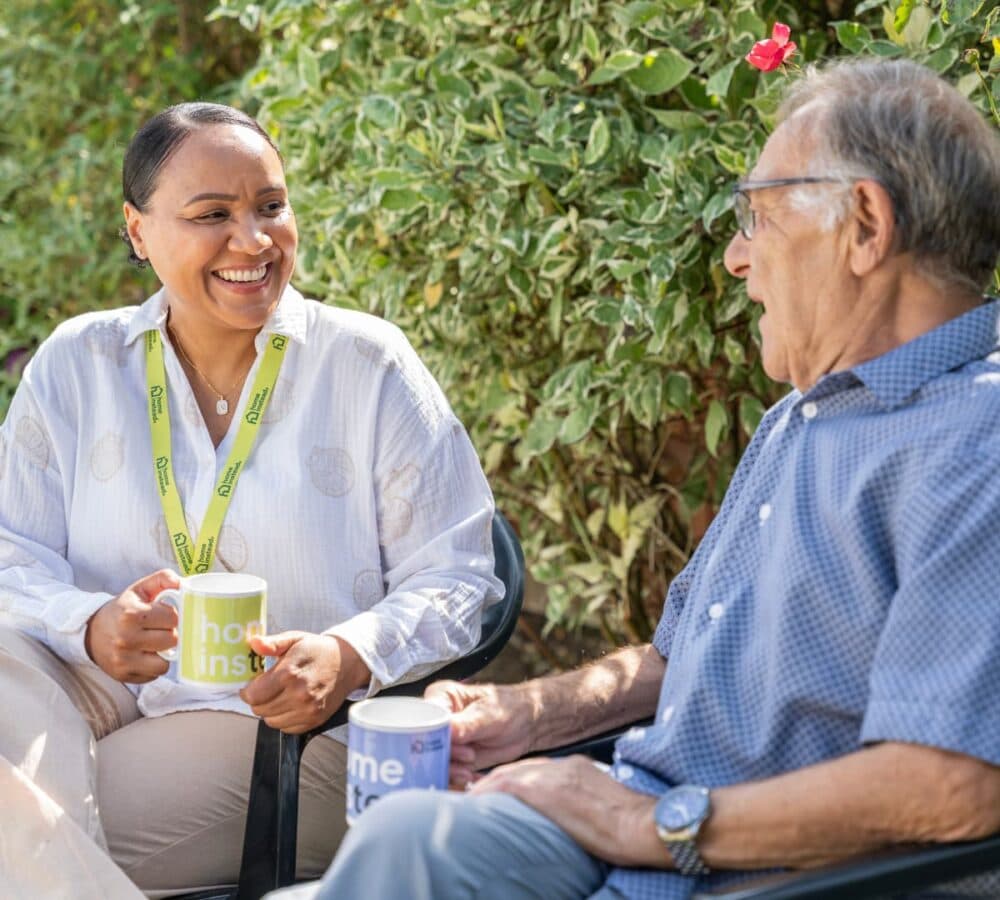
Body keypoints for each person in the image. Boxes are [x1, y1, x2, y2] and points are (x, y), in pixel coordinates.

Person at [287, 57, 1000, 900]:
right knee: (380, 853)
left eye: (758, 216)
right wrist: (533, 713)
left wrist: (644, 826)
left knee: (401, 844)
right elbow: (682, 657)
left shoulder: (973, 444)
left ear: (866, 226)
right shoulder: (801, 420)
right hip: (632, 833)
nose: (738, 257)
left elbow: (953, 786)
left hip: (769, 876)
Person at [0, 102, 502, 897]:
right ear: (138, 231)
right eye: (213, 215)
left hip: (271, 725)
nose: (255, 240)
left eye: (271, 206)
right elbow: (8, 556)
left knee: (21, 839)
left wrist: (349, 654)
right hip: (87, 691)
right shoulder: (76, 363)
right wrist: (88, 626)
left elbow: (462, 575)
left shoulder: (366, 365)